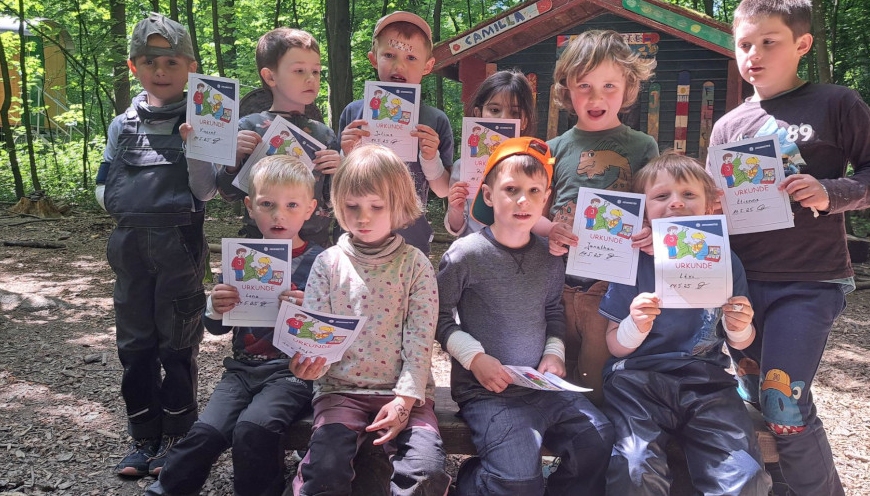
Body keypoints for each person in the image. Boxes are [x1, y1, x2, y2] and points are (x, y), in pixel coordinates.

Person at [710, 0, 870, 496]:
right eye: (744, 44)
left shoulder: (836, 103)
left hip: (809, 281)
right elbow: (711, 205)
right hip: (741, 285)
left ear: (802, 44)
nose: (753, 55)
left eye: (768, 42)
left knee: (783, 403)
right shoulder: (729, 125)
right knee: (754, 397)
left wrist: (830, 192)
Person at [437, 137, 614, 495]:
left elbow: (552, 310)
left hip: (542, 387)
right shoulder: (465, 255)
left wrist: (554, 353)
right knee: (518, 481)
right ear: (488, 195)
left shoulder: (549, 257)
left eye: (534, 191)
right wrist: (475, 359)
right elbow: (438, 317)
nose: (523, 200)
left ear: (546, 198)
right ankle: (471, 481)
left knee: (598, 439)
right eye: (511, 189)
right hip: (488, 390)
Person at [145, 155, 323, 496]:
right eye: (267, 204)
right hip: (240, 371)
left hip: (292, 374)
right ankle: (164, 490)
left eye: (291, 205)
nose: (279, 215)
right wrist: (215, 307)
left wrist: (308, 311)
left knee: (254, 427)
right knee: (206, 432)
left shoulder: (322, 262)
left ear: (309, 209)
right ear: (250, 207)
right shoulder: (241, 259)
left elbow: (327, 334)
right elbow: (217, 329)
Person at [599, 153, 771, 495]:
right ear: (644, 211)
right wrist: (635, 325)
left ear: (710, 207)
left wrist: (739, 325)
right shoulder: (632, 260)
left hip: (707, 383)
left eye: (688, 194)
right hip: (637, 381)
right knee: (635, 469)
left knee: (746, 478)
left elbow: (740, 342)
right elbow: (614, 345)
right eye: (662, 196)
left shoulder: (725, 260)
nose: (676, 203)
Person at [288, 145, 451, 496]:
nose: (363, 217)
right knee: (325, 471)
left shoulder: (415, 265)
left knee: (425, 471)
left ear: (399, 206)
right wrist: (308, 366)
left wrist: (404, 401)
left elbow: (420, 343)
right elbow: (316, 341)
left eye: (376, 207)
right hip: (340, 392)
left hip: (407, 395)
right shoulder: (327, 264)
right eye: (352, 206)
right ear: (337, 204)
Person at [94, 12, 216, 477]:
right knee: (135, 345)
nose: (160, 71)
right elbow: (105, 181)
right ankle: (143, 436)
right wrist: (118, 202)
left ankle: (179, 433)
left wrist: (196, 147)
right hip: (128, 251)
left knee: (177, 345)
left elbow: (206, 191)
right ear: (134, 67)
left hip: (179, 250)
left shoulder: (205, 118)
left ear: (190, 68)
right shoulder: (121, 124)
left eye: (171, 62)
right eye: (149, 62)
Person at [538, 29, 660, 404]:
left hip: (613, 290)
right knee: (555, 374)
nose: (596, 98)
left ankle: (598, 437)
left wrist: (651, 231)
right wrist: (550, 230)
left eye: (609, 86)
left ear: (628, 88)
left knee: (597, 383)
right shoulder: (551, 149)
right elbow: (534, 216)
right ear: (567, 89)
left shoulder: (642, 146)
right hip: (557, 284)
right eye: (584, 86)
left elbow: (655, 208)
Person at [337, 11, 453, 255]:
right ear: (373, 59)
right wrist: (345, 154)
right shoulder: (354, 113)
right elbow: (338, 184)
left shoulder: (435, 121)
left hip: (410, 239)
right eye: (389, 55)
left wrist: (431, 157)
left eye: (411, 57)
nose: (399, 66)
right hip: (358, 236)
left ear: (428, 66)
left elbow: (443, 191)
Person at [214, 28, 341, 247]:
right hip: (261, 247)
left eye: (316, 71)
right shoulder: (249, 128)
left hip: (316, 248)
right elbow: (229, 194)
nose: (310, 78)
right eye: (299, 71)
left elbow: (332, 201)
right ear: (270, 76)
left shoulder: (324, 135)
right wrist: (233, 161)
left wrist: (340, 171)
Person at [445, 69, 538, 239]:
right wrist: (455, 209)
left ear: (524, 121)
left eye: (515, 113)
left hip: (515, 252)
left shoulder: (535, 169)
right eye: (495, 110)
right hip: (473, 251)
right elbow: (456, 227)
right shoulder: (463, 167)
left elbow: (537, 223)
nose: (504, 119)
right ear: (478, 113)